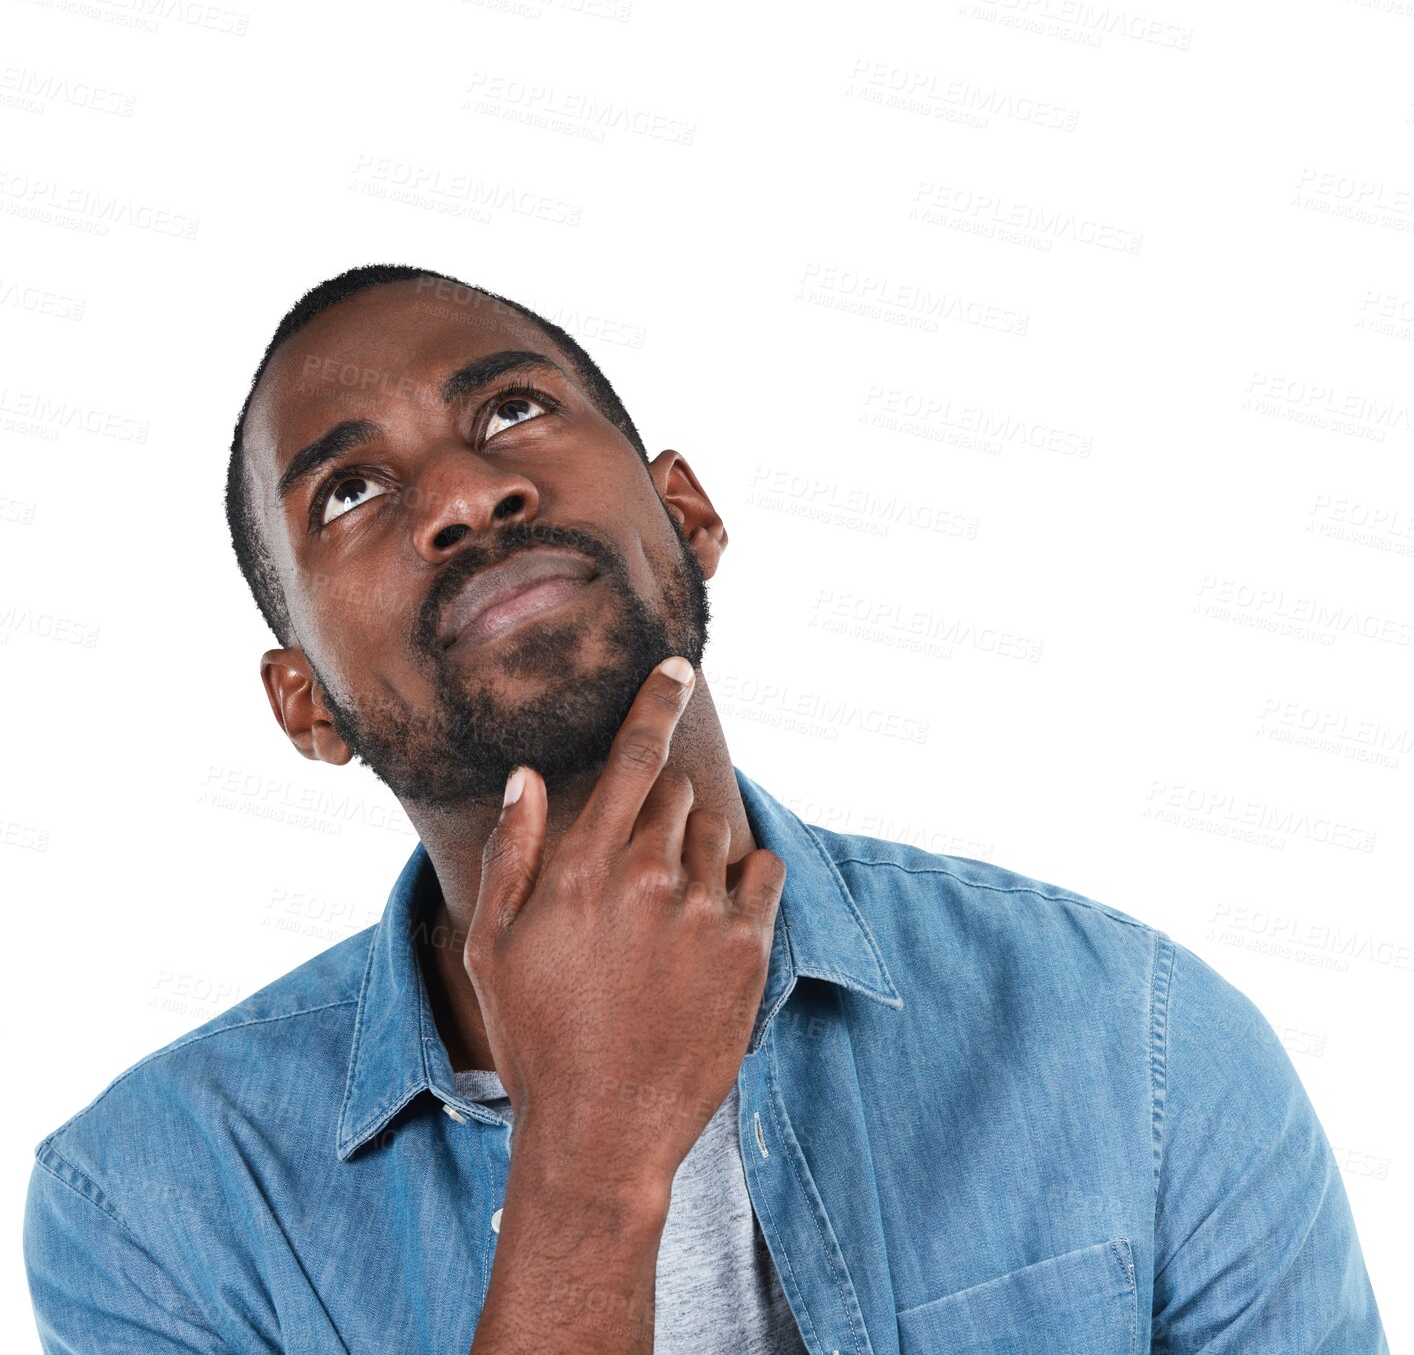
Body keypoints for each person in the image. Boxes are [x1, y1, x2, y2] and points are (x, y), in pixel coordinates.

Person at [23, 264, 1389, 1353]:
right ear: (303, 704)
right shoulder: (157, 1209)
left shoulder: (1129, 1039)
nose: (462, 491)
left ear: (687, 512)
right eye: (351, 489)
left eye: (509, 410)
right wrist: (589, 1163)